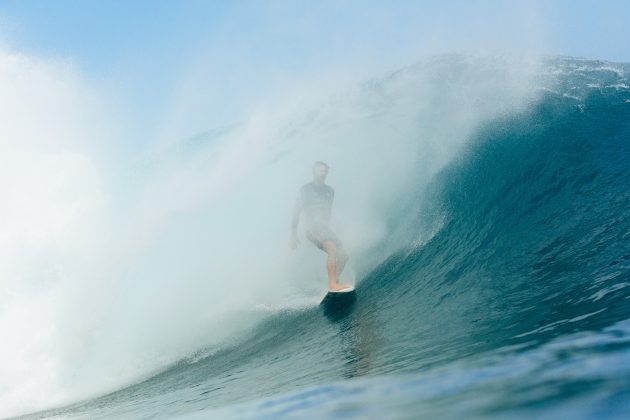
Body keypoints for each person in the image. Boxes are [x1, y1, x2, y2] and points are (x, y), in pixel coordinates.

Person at [290, 161, 351, 291]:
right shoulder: (306, 189)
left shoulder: (330, 191)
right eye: (319, 171)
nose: (322, 173)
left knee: (344, 256)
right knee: (332, 250)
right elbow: (297, 211)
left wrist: (331, 228)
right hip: (311, 228)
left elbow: (327, 212)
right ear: (314, 172)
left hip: (324, 228)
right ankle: (332, 285)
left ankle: (334, 280)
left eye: (324, 171)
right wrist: (293, 233)